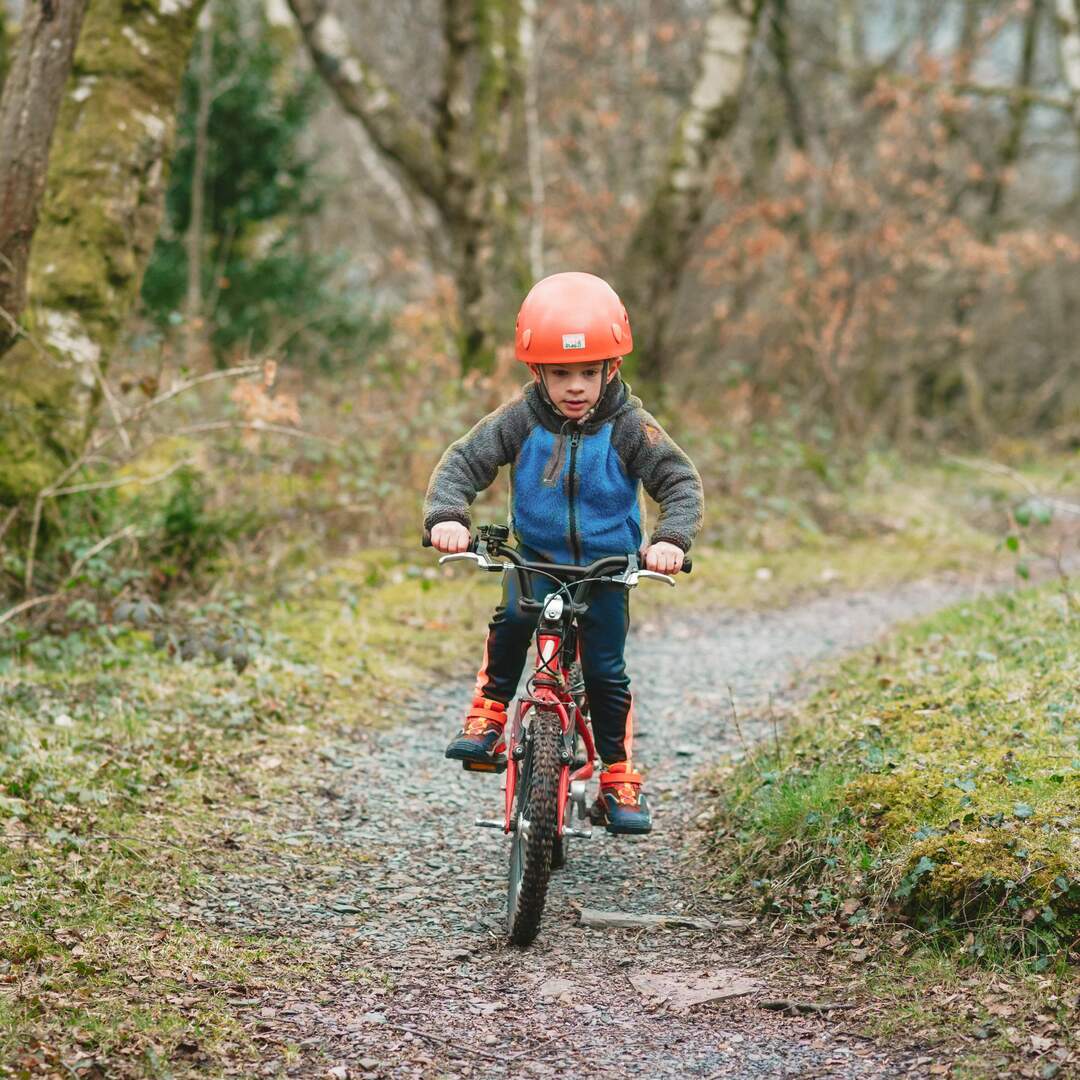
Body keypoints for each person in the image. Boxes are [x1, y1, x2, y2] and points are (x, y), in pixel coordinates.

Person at [423, 271, 703, 834]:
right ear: (537, 372)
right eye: (560, 374)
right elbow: (461, 463)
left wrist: (670, 540)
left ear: (611, 369)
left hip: (606, 570)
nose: (574, 386)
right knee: (510, 623)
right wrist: (448, 516)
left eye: (587, 373)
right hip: (537, 559)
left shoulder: (630, 427)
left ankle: (617, 774)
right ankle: (489, 715)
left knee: (605, 671)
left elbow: (678, 482)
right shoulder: (520, 420)